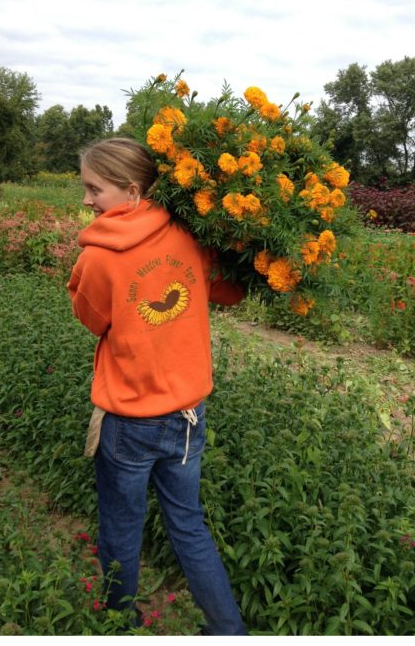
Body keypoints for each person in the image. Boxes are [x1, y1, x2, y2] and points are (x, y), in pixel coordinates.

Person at [67, 138, 247, 635]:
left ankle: (121, 622)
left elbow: (92, 318)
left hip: (129, 420)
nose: (86, 201)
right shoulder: (192, 234)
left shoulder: (100, 257)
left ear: (130, 190)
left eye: (93, 189)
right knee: (188, 524)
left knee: (121, 525)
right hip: (188, 415)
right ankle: (229, 631)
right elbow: (228, 291)